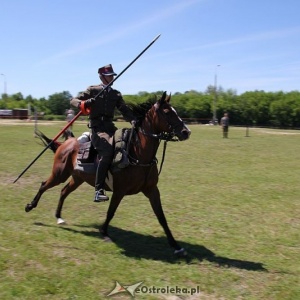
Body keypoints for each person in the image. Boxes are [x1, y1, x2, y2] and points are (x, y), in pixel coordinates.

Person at [70, 64, 136, 202]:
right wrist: (85, 102)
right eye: (109, 75)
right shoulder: (93, 90)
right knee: (106, 151)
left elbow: (124, 110)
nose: (112, 78)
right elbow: (73, 101)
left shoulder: (115, 94)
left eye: (112, 75)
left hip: (110, 127)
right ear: (101, 76)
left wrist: (134, 120)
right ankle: (99, 190)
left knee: (125, 142)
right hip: (97, 128)